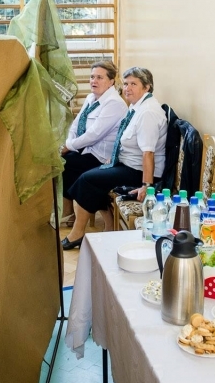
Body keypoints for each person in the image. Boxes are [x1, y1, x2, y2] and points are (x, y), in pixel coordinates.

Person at [62, 67, 166, 250]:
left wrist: (147, 186)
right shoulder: (136, 106)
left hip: (139, 172)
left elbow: (148, 153)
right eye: (125, 84)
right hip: (127, 164)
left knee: (87, 179)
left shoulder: (147, 112)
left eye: (133, 84)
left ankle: (77, 234)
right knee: (88, 176)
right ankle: (103, 227)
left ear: (147, 87)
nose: (127, 88)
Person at [57, 61, 128, 227]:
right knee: (65, 163)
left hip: (104, 157)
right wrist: (69, 143)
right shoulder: (91, 98)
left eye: (99, 77)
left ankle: (88, 213)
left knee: (70, 166)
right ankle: (70, 212)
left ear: (111, 81)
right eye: (92, 77)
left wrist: (69, 146)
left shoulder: (115, 103)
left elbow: (94, 134)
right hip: (88, 150)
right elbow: (76, 124)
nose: (93, 81)